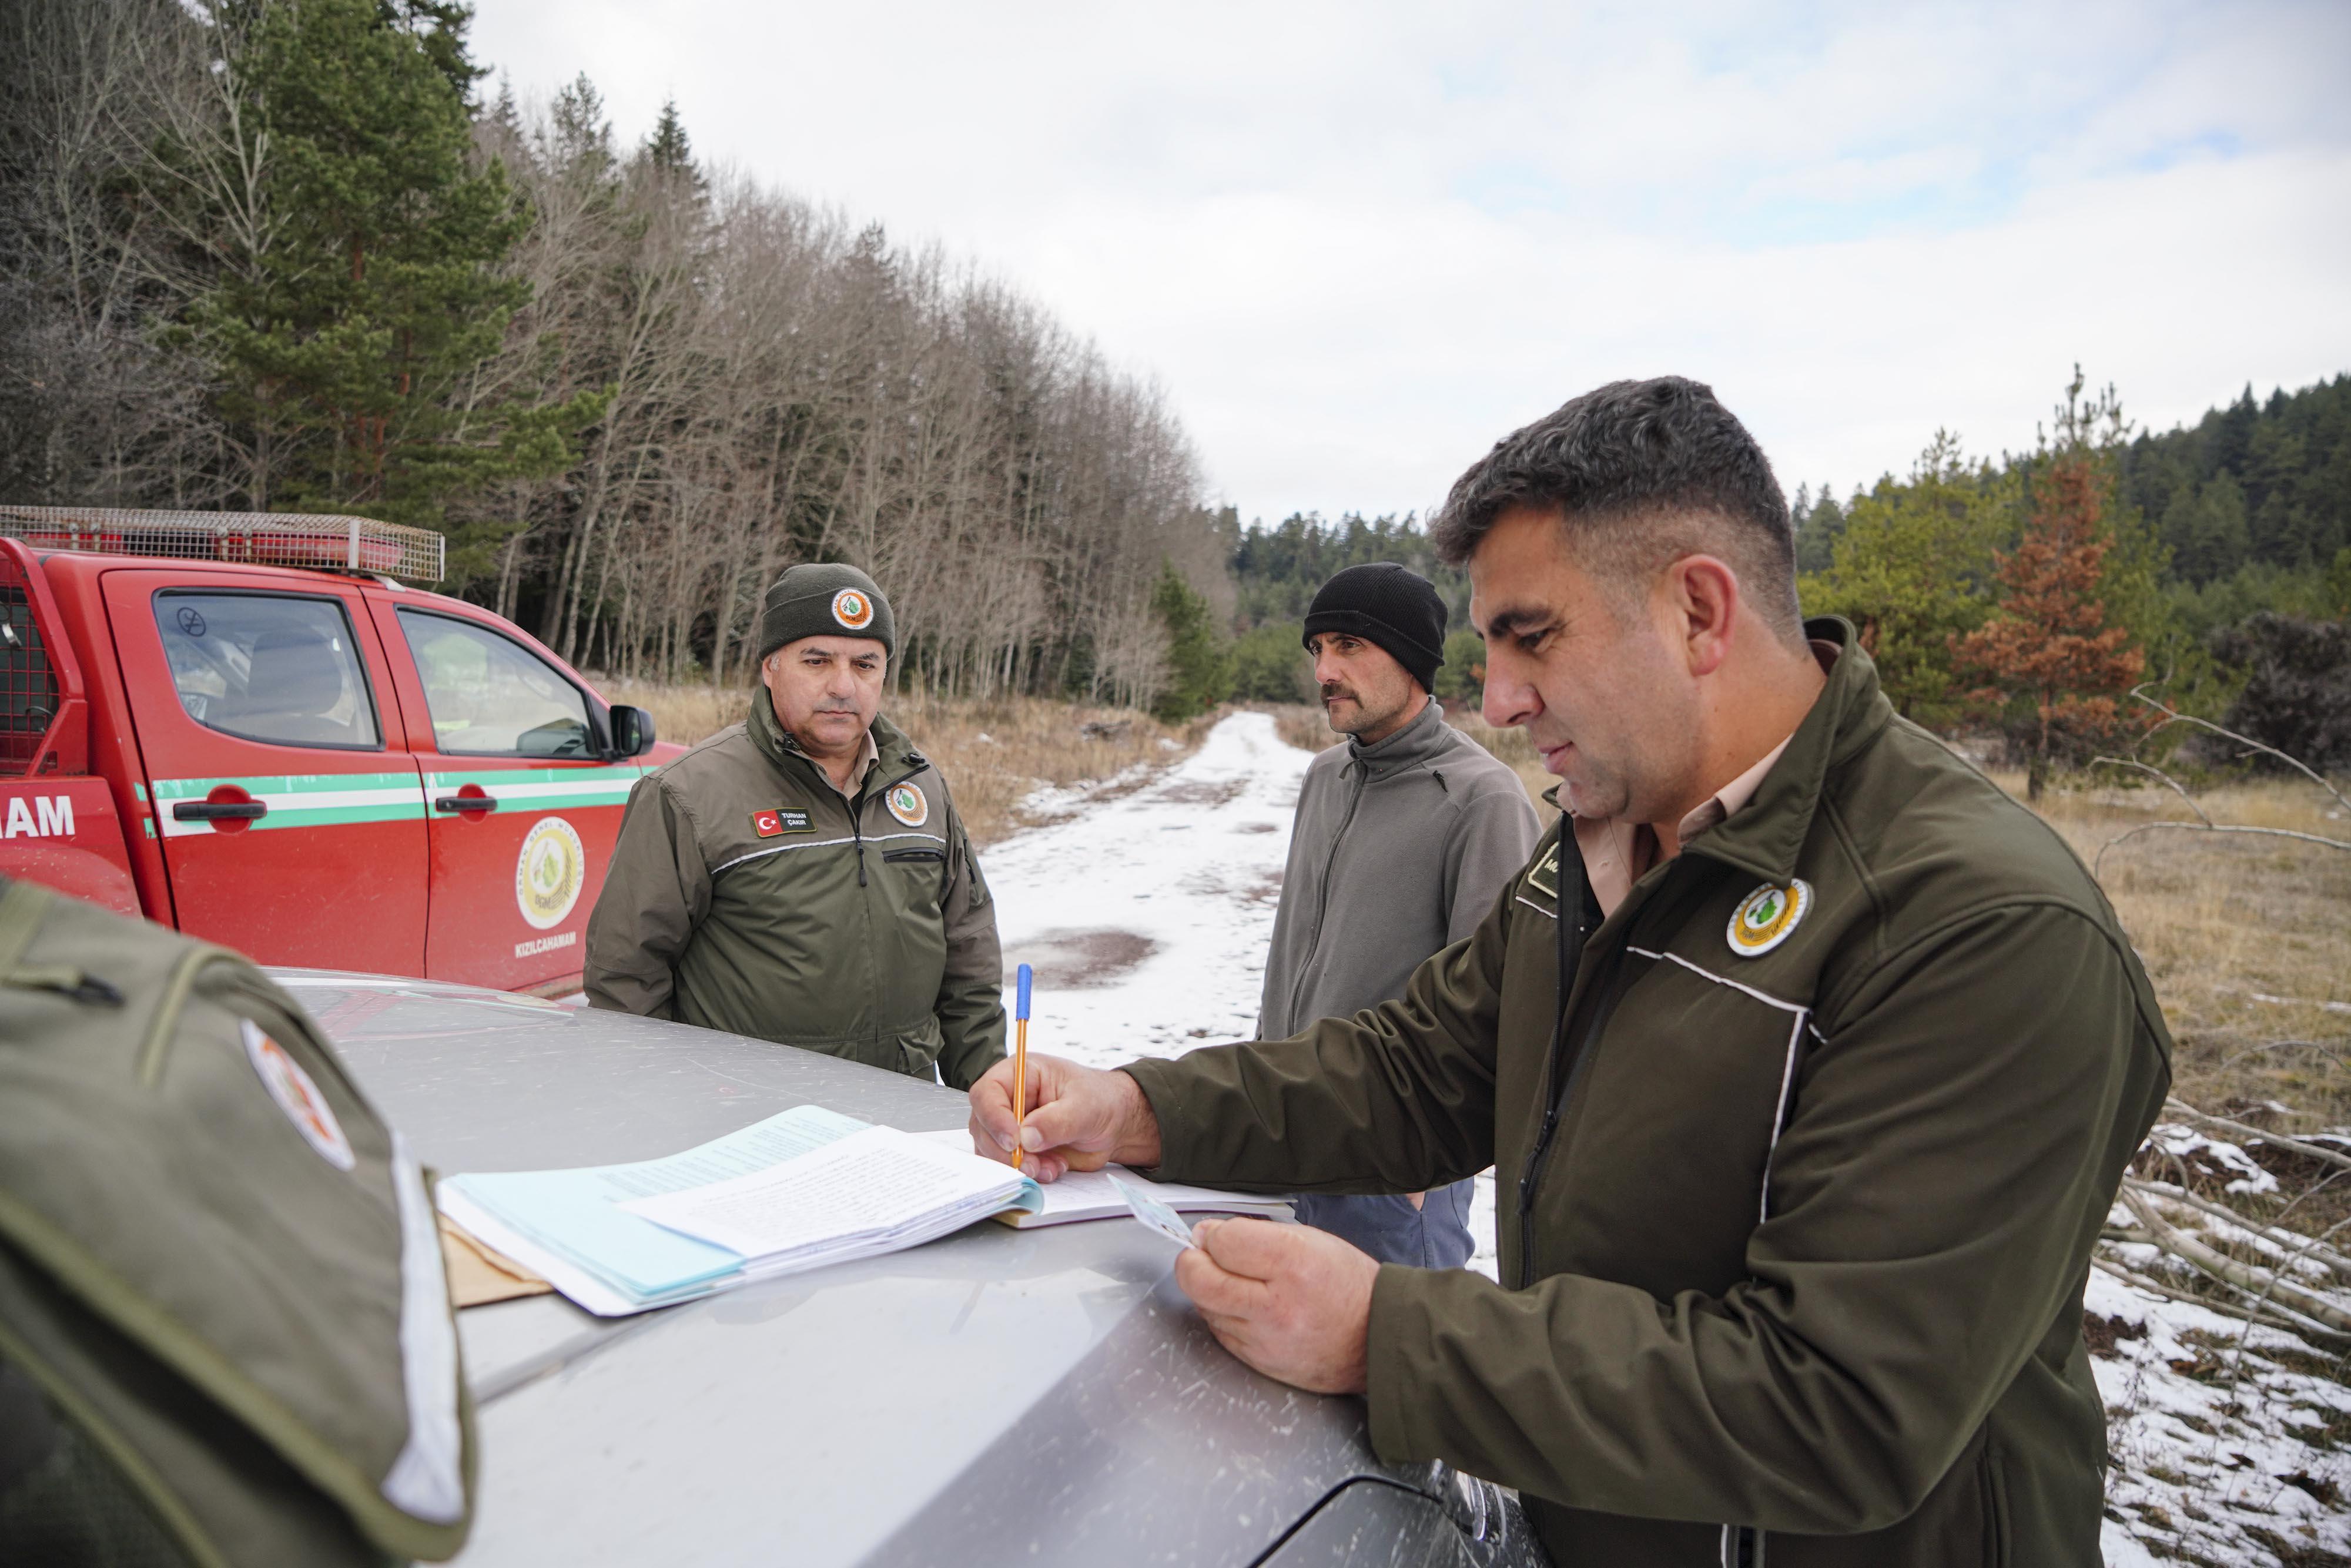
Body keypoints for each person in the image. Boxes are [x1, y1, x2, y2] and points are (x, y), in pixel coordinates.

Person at [970, 377, 2171, 1565]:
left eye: (1529, 637)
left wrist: (1383, 1338)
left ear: (1698, 611)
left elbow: (1840, 1401)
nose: (1494, 700)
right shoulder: (1604, 834)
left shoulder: (1979, 925)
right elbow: (1417, 1069)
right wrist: (1137, 1108)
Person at [587, 564, 1004, 1091]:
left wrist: (987, 1094)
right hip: (752, 1120)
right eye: (817, 660)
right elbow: (626, 977)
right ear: (771, 666)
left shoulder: (921, 789)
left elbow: (967, 957)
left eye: (865, 664)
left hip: (905, 1110)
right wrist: (668, 1109)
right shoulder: (688, 793)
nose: (842, 686)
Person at [1266, 562, 1538, 1268]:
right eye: (1317, 648)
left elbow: (1495, 1014)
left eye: (1349, 646)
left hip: (1392, 1177)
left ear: (1413, 660)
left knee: (1390, 1375)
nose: (1325, 669)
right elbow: (1292, 953)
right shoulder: (1324, 778)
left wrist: (1423, 1172)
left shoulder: (1482, 799)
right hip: (1283, 1138)